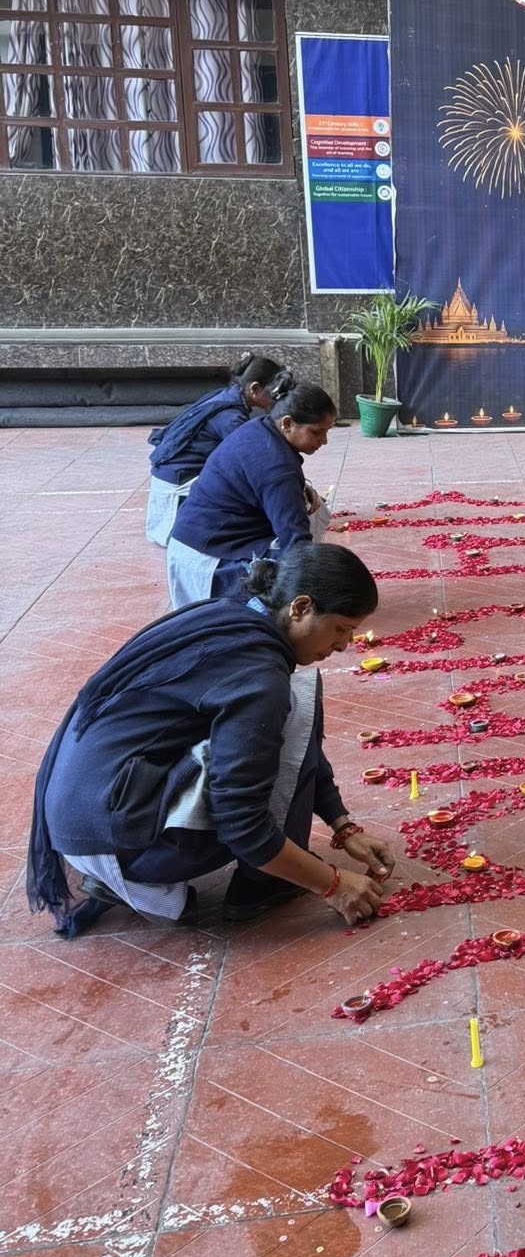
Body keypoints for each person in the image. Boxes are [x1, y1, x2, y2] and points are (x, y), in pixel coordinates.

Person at [28, 546, 394, 940]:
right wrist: (333, 884)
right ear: (300, 607)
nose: (344, 645)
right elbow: (242, 822)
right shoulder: (258, 673)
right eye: (341, 628)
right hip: (115, 833)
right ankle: (259, 883)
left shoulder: (232, 613)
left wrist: (342, 824)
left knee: (283, 713)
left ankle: (130, 871)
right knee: (289, 704)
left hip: (84, 812)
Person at [166, 383, 336, 608]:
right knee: (295, 571)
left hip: (189, 537)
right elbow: (295, 543)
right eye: (317, 432)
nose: (323, 441)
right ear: (287, 424)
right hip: (208, 555)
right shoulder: (278, 469)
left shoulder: (259, 427)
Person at [144, 353, 293, 547]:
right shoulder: (230, 418)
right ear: (254, 389)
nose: (276, 401)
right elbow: (254, 461)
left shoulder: (224, 397)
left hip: (171, 474)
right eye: (273, 394)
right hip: (180, 481)